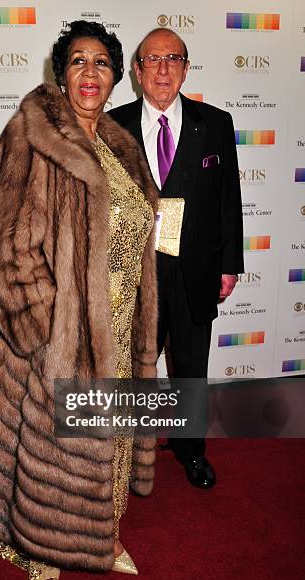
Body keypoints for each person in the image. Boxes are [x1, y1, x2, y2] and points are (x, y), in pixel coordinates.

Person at [0, 20, 158, 580]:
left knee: (109, 439)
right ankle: (42, 543)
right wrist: (47, 328)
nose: (90, 73)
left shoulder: (120, 145)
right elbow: (2, 245)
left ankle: (103, 531)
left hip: (119, 327)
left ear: (117, 76)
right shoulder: (33, 135)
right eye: (78, 61)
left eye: (102, 63)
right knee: (57, 448)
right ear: (61, 71)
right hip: (63, 337)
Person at [110, 28, 244, 488]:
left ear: (186, 68)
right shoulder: (112, 126)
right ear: (137, 71)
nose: (163, 69)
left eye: (173, 59)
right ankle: (131, 452)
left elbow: (229, 199)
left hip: (195, 271)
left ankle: (190, 450)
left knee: (191, 367)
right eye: (152, 60)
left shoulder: (217, 123)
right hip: (135, 275)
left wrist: (230, 264)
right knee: (132, 368)